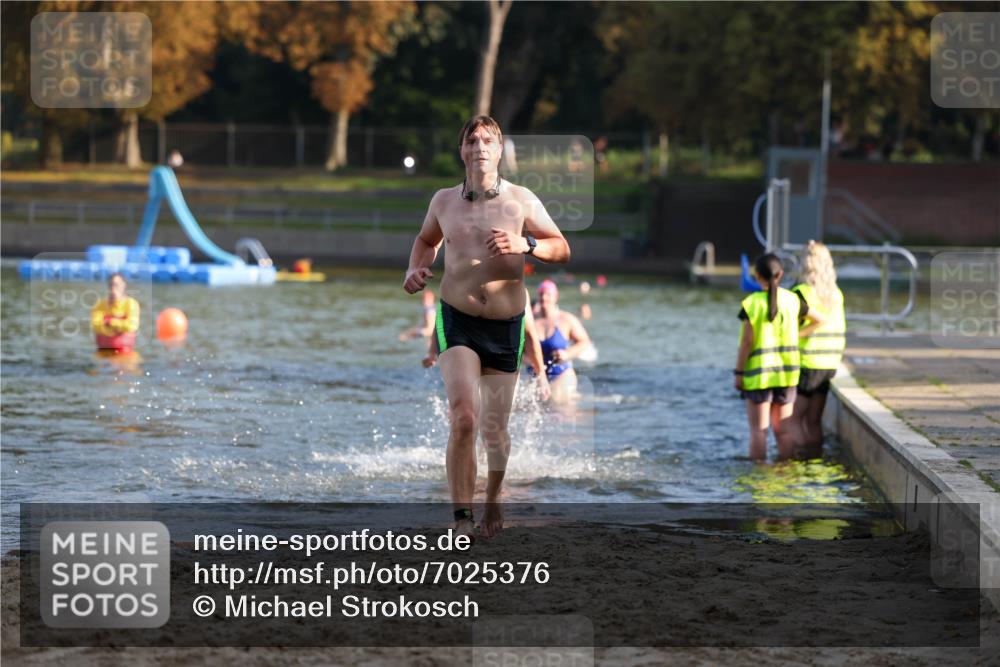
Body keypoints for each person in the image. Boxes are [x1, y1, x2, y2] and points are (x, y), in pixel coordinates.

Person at [403, 115, 570, 539]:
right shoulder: (443, 201)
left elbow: (562, 248)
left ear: (499, 151)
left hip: (505, 326)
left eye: (488, 140)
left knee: (495, 431)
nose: (479, 146)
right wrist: (415, 270)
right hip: (456, 319)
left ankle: (493, 498)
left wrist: (526, 244)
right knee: (463, 419)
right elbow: (426, 242)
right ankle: (461, 518)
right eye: (472, 140)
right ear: (462, 151)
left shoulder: (522, 201)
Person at [734, 254, 825, 462]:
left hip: (759, 377)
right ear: (780, 275)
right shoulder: (792, 300)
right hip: (787, 376)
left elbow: (747, 343)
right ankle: (786, 471)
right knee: (783, 431)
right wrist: (798, 334)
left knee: (759, 431)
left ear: (757, 276)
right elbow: (820, 319)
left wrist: (739, 372)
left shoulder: (751, 304)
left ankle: (759, 473)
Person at [790, 241, 846, 458]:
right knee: (814, 421)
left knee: (793, 420)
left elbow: (796, 326)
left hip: (808, 364)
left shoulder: (802, 292)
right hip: (829, 364)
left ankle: (796, 461)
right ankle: (815, 461)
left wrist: (795, 337)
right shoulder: (836, 294)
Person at [532, 279, 593, 403]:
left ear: (555, 297)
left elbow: (585, 342)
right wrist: (529, 360)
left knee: (558, 406)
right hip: (536, 375)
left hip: (561, 374)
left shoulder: (566, 319)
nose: (544, 297)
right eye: (541, 294)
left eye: (548, 294)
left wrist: (567, 354)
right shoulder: (530, 320)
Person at [91, 272, 140, 353]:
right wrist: (118, 328)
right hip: (103, 352)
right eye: (111, 285)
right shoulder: (100, 305)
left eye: (116, 285)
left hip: (125, 353)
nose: (113, 288)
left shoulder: (131, 304)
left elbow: (132, 326)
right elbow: (95, 325)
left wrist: (110, 322)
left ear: (124, 285)